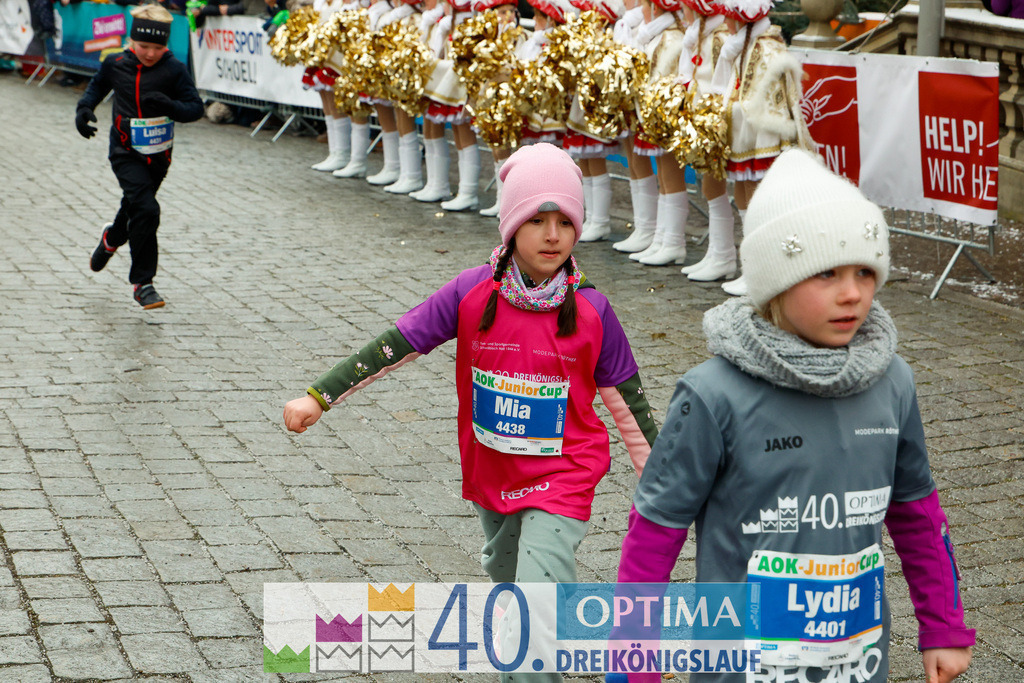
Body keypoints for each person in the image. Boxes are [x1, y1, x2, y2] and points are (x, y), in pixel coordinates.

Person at [285, 143, 657, 681]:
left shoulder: (594, 309)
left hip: (564, 477)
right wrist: (319, 396)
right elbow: (396, 344)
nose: (552, 234)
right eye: (536, 220)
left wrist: (668, 483)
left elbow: (630, 404)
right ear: (509, 227)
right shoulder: (470, 292)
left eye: (565, 222)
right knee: (509, 596)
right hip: (493, 475)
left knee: (536, 612)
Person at [614, 149, 975, 683]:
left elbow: (919, 513)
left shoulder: (892, 382)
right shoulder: (712, 395)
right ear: (776, 283)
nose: (852, 292)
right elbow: (655, 533)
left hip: (857, 664)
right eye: (825, 272)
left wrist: (943, 626)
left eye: (864, 271)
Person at [77, 4, 203, 309]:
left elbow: (195, 108)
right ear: (131, 41)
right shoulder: (115, 62)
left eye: (157, 47)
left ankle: (112, 237)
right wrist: (84, 109)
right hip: (124, 151)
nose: (149, 53)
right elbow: (95, 88)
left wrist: (169, 105)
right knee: (147, 208)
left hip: (159, 156)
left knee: (136, 204)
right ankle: (143, 283)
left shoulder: (174, 69)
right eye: (144, 46)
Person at [710, 0, 811, 296]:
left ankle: (764, 269)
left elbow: (770, 103)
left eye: (731, 18)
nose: (725, 24)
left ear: (744, 19)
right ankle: (751, 266)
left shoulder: (767, 50)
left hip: (765, 138)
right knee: (743, 195)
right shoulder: (745, 47)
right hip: (747, 136)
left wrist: (732, 109)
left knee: (758, 200)